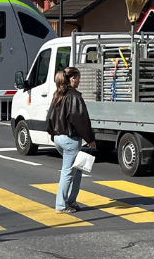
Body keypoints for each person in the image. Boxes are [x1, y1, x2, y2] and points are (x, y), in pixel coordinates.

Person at [45, 67, 96, 214]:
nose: (79, 81)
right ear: (72, 79)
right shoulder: (75, 97)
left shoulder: (58, 94)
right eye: (78, 78)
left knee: (77, 169)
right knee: (68, 172)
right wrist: (90, 138)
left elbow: (49, 117)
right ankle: (61, 205)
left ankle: (71, 200)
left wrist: (52, 133)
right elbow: (81, 120)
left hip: (59, 138)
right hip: (70, 139)